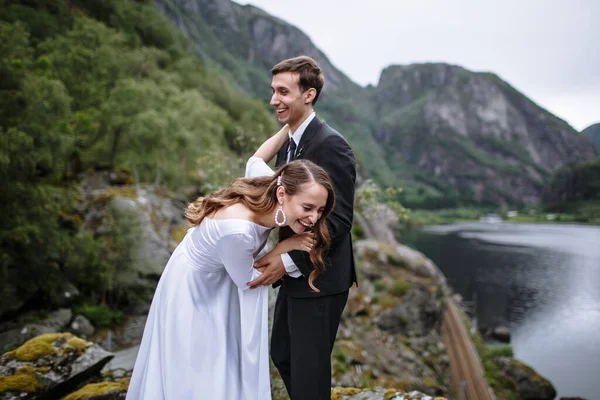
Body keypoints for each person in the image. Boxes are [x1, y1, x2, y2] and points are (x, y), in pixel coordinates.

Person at [125, 123, 336, 400]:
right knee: (197, 363)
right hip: (193, 286)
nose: (313, 219)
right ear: (283, 195)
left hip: (221, 273)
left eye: (320, 210)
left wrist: (289, 126)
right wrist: (281, 248)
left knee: (219, 358)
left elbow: (256, 159)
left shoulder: (272, 184)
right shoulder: (238, 231)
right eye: (307, 208)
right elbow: (249, 280)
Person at [247, 56, 357, 399]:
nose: (273, 99)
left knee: (309, 372)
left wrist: (287, 258)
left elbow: (339, 220)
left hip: (320, 278)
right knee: (283, 354)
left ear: (308, 95)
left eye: (283, 91)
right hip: (295, 275)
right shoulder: (291, 143)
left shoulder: (331, 145)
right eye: (273, 91)